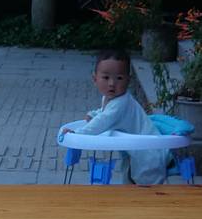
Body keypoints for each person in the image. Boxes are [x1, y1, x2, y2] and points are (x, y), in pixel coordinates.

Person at [62, 49, 168, 185]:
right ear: (95, 79)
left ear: (128, 80)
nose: (112, 83)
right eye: (106, 78)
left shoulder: (121, 103)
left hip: (149, 154)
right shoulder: (111, 98)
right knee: (129, 180)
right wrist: (94, 114)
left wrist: (77, 133)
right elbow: (105, 113)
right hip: (136, 151)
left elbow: (101, 123)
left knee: (146, 188)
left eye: (119, 78)